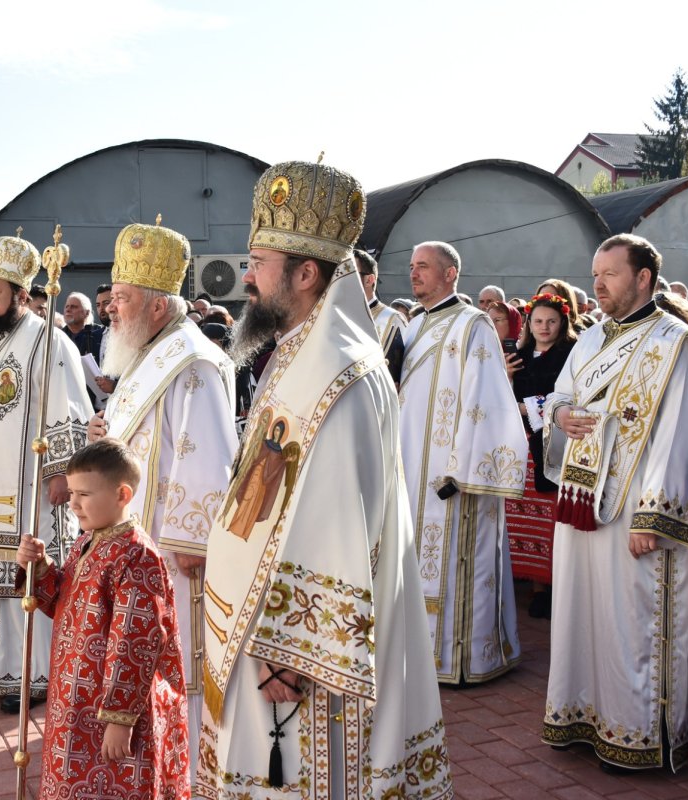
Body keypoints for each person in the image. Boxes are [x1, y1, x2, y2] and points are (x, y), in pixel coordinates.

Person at [198, 159, 452, 798]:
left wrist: (286, 648)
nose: (246, 278)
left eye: (258, 263)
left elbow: (335, 518)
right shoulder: (297, 350)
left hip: (296, 651)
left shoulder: (340, 371)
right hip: (254, 615)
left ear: (306, 274)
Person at [542, 234, 688, 773]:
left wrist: (654, 518)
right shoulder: (591, 337)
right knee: (583, 615)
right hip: (581, 501)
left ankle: (640, 735)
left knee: (633, 624)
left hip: (635, 511)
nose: (597, 284)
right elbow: (561, 394)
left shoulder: (677, 343)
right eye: (594, 273)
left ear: (643, 278)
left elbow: (684, 434)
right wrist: (559, 417)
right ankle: (585, 719)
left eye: (610, 274)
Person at [88, 216, 237, 775]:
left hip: (173, 557)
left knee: (178, 672)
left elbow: (208, 459)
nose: (111, 308)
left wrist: (195, 545)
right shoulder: (145, 353)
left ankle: (190, 777)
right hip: (135, 547)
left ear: (156, 305)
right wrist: (105, 440)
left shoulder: (192, 361)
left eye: (122, 299)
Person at [0, 232, 92, 714]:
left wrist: (64, 472)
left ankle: (31, 673)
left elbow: (69, 410)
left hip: (28, 486)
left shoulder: (49, 341)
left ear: (21, 296)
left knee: (23, 572)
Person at [16, 439, 190, 799]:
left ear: (122, 494)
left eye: (84, 494)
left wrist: (119, 718)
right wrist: (39, 567)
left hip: (111, 709)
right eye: (72, 492)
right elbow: (62, 602)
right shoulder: (88, 540)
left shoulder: (137, 555)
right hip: (76, 699)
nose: (74, 502)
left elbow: (136, 641)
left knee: (119, 782)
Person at [399, 240, 526, 684]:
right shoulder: (413, 326)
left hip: (451, 475)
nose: (414, 274)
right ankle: (418, 654)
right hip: (410, 469)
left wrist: (463, 469)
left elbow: (486, 399)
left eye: (424, 267)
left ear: (450, 274)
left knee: (458, 563)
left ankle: (467, 659)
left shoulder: (472, 324)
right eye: (412, 267)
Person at [504, 293, 578, 619]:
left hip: (555, 444)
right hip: (521, 445)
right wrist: (504, 376)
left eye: (551, 321)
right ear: (529, 324)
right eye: (538, 321)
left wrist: (522, 406)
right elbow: (497, 396)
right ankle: (536, 586)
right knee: (523, 516)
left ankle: (557, 585)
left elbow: (570, 397)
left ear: (562, 323)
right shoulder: (517, 355)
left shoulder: (570, 355)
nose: (544, 327)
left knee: (552, 518)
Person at [354, 248, 406, 384]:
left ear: (369, 280)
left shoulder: (391, 319)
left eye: (350, 274)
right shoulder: (334, 316)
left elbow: (397, 380)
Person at [62, 291, 104, 364]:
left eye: (73, 307)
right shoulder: (59, 336)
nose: (68, 310)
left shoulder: (101, 334)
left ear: (87, 312)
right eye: (67, 306)